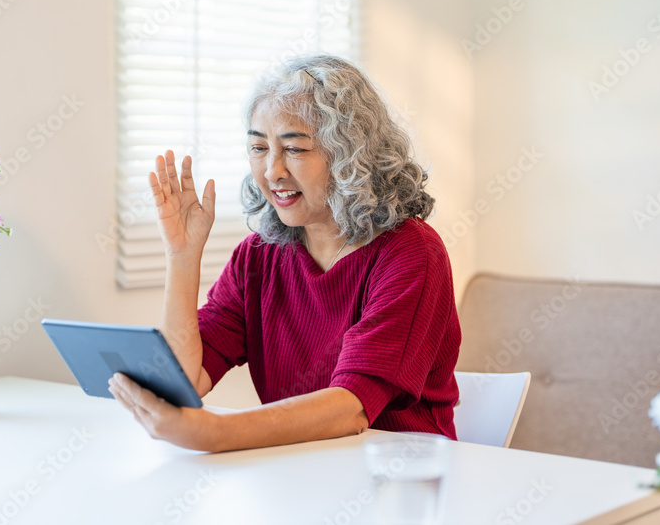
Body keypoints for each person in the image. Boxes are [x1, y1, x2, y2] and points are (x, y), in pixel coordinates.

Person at [108, 54, 461, 453]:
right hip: (296, 469)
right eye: (258, 147)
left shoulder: (411, 253)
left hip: (399, 477)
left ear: (351, 156)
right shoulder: (258, 256)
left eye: (294, 149)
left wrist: (214, 433)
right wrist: (182, 256)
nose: (272, 170)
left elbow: (351, 408)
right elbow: (184, 379)